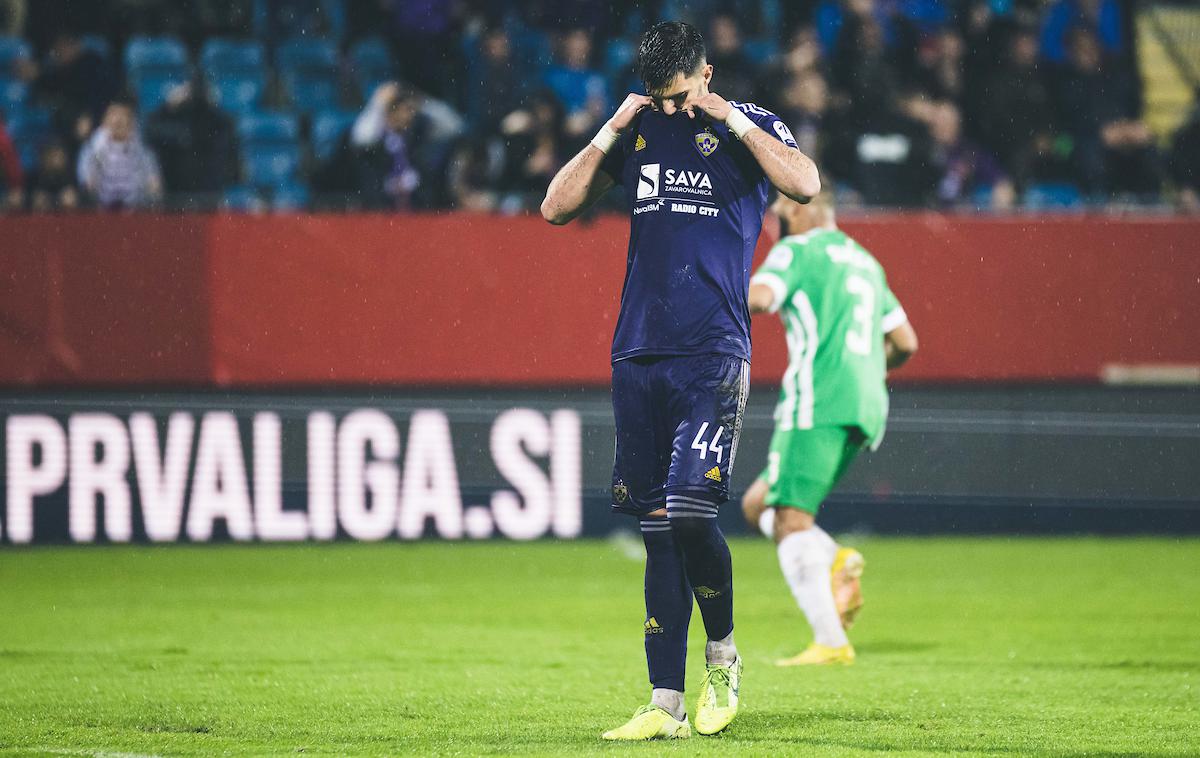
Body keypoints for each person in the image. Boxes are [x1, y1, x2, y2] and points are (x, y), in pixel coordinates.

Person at [540, 20, 820, 741]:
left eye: (678, 95)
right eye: (655, 97)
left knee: (695, 513)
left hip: (713, 350)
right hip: (638, 352)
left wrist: (731, 119)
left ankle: (723, 658)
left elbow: (805, 183)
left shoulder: (746, 122)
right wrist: (608, 130)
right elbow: (555, 207)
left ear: (706, 73)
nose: (667, 110)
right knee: (659, 530)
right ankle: (664, 705)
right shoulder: (635, 130)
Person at [741, 190, 917, 666]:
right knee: (758, 503)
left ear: (798, 208)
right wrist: (863, 372)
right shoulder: (865, 262)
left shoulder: (798, 251)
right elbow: (905, 342)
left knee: (789, 519)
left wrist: (704, 284)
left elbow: (759, 298)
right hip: (867, 404)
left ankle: (831, 643)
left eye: (778, 214)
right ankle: (834, 557)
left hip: (817, 400)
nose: (775, 224)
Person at [76, 98, 162, 210]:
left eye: (123, 115)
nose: (118, 120)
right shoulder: (91, 149)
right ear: (104, 120)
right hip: (101, 212)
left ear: (131, 122)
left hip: (135, 212)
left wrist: (153, 188)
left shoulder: (143, 151)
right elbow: (86, 182)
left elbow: (154, 183)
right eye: (113, 114)